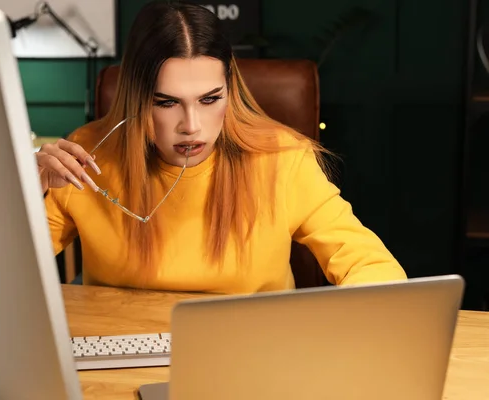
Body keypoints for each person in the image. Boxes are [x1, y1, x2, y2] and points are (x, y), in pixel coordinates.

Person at [36, 0, 407, 294]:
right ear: (136, 99)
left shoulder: (283, 159)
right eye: (166, 102)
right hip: (119, 357)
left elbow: (368, 264)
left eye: (210, 99)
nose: (192, 126)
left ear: (230, 90)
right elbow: (4, 277)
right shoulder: (86, 156)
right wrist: (25, 193)